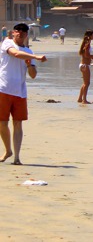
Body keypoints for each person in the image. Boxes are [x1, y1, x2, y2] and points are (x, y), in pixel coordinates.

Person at [0, 23, 47, 164]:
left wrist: (29, 63)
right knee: (2, 122)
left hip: (20, 92)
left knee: (18, 123)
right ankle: (8, 150)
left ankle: (17, 157)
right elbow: (15, 53)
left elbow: (32, 75)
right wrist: (37, 57)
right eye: (18, 30)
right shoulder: (6, 43)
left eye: (23, 31)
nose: (20, 33)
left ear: (27, 34)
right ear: (13, 32)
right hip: (3, 88)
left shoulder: (29, 52)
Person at [77, 29, 93, 104]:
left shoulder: (85, 43)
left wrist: (92, 58)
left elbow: (85, 54)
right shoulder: (87, 43)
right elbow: (86, 55)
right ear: (90, 35)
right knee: (87, 83)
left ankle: (80, 98)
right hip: (85, 65)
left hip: (83, 64)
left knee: (85, 83)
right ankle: (84, 100)